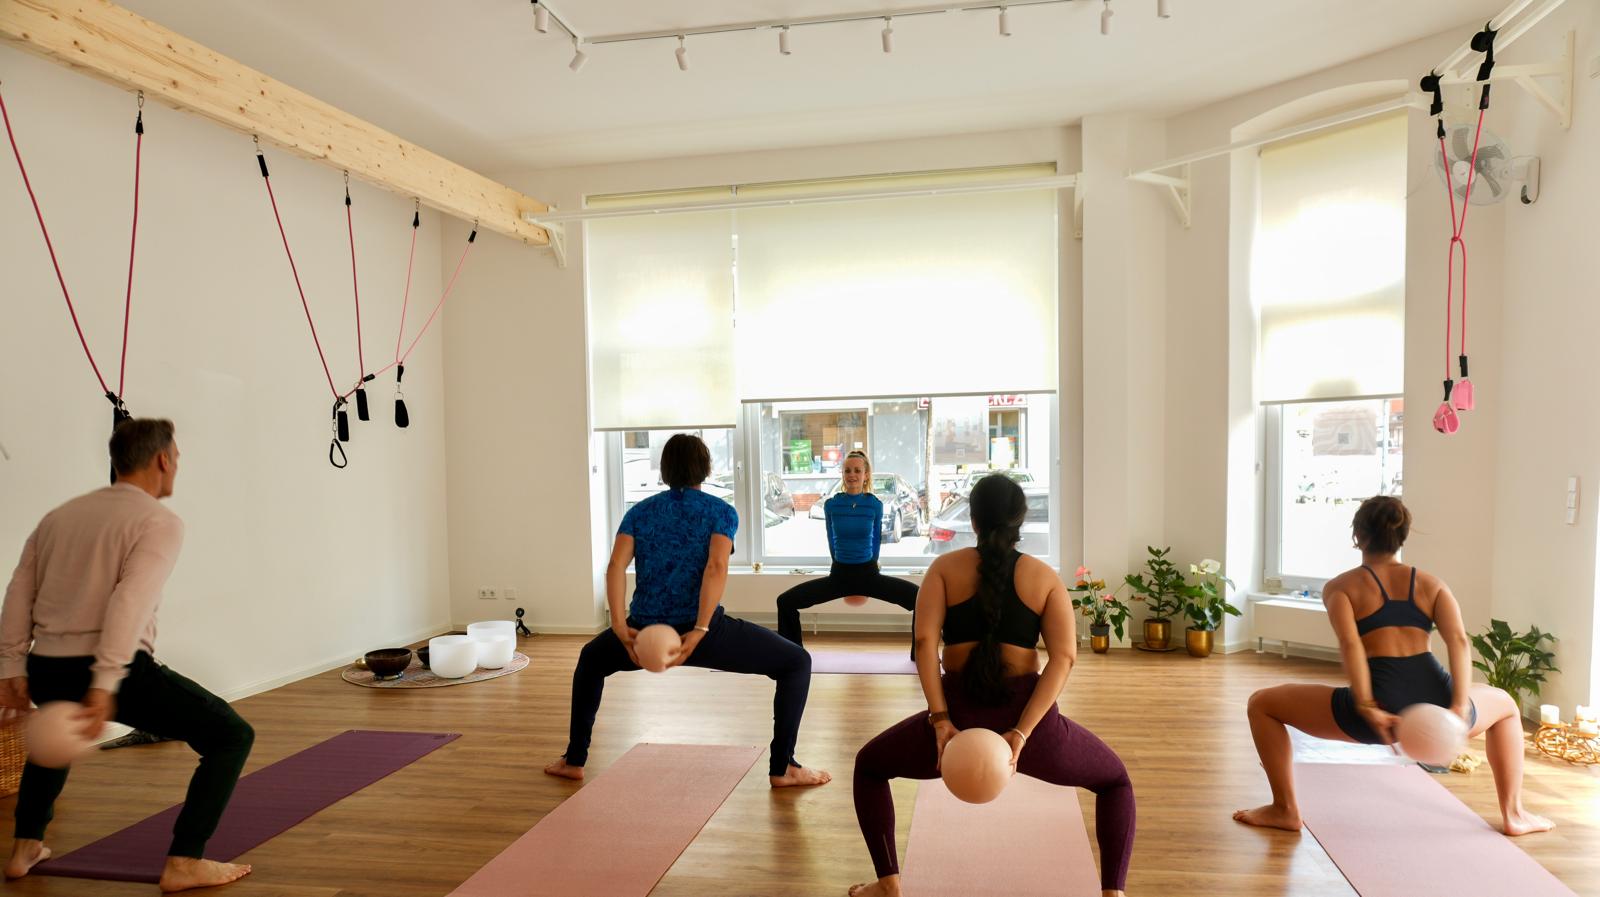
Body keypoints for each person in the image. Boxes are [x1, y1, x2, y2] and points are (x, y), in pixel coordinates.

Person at [0, 419, 256, 891]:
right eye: (176, 457)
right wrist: (104, 683)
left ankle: (24, 849)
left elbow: (19, 590)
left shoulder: (59, 516)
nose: (177, 466)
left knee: (51, 739)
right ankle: (184, 861)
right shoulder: (159, 521)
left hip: (47, 664)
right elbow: (130, 601)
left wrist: (11, 666)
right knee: (230, 735)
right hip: (113, 668)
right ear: (162, 460)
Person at [848, 475, 1135, 897]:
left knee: (870, 766)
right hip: (1026, 717)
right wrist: (1022, 733)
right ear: (1020, 520)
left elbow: (925, 643)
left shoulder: (944, 569)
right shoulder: (1044, 577)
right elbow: (1065, 657)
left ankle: (888, 882)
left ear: (974, 519)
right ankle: (1113, 892)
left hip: (956, 715)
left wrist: (941, 720)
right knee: (1115, 782)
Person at [1234, 495, 1553, 836]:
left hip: (1380, 714)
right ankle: (1514, 813)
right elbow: (1459, 642)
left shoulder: (1340, 588)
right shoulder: (1432, 585)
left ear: (1358, 536)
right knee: (1505, 705)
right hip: (1438, 707)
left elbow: (1350, 644)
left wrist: (1367, 705)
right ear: (1403, 536)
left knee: (1262, 704)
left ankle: (1284, 809)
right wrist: (1458, 706)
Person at [544, 433, 830, 788]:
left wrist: (619, 626)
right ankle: (783, 767)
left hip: (641, 632)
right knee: (796, 662)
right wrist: (700, 630)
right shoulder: (720, 511)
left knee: (591, 659)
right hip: (704, 634)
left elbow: (616, 566)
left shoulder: (641, 512)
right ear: (706, 469)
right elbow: (716, 568)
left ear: (664, 471)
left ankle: (574, 761)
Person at [776, 451, 918, 655]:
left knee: (921, 599)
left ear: (866, 474)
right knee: (785, 601)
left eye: (857, 470)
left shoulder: (874, 504)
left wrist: (871, 569)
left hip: (868, 574)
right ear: (842, 474)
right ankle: (792, 655)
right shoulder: (832, 504)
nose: (852, 475)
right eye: (848, 470)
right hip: (839, 574)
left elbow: (876, 542)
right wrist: (840, 567)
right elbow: (830, 540)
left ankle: (919, 654)